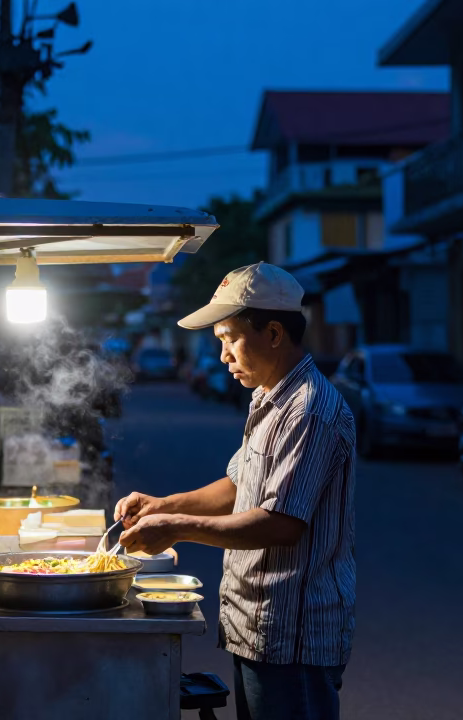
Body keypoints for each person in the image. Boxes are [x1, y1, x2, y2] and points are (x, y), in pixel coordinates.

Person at [117, 262, 356, 720]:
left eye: (229, 338)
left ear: (273, 333)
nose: (223, 355)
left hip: (294, 638)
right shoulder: (269, 398)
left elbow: (281, 524)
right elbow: (237, 485)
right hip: (258, 628)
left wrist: (177, 527)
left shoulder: (308, 411)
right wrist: (161, 505)